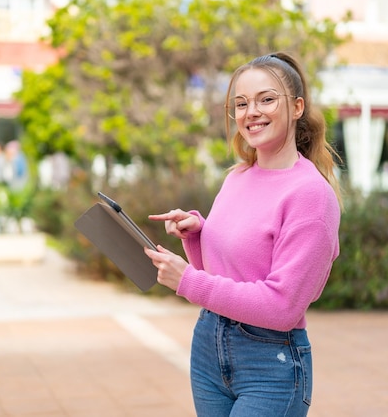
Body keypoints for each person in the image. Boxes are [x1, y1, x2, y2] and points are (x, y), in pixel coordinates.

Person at [144, 52, 343, 416]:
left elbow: (282, 307)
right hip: (208, 345)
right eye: (241, 103)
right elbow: (222, 274)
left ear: (297, 106)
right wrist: (197, 234)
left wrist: (187, 281)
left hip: (269, 362)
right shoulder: (236, 177)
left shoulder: (311, 196)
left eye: (266, 99)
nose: (251, 112)